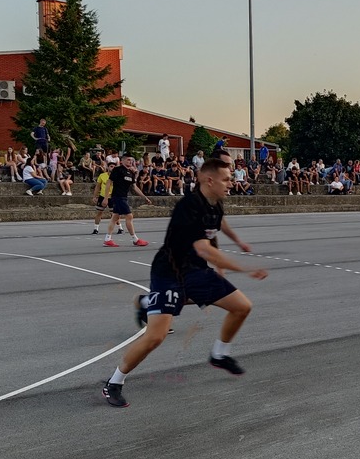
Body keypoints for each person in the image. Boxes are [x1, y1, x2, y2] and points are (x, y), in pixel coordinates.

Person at [102, 159, 268, 408]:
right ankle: (114, 382)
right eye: (226, 179)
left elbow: (215, 230)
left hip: (196, 271)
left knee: (242, 306)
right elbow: (204, 248)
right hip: (170, 272)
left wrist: (231, 251)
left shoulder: (215, 204)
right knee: (156, 336)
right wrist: (245, 267)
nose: (231, 183)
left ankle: (219, 354)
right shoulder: (189, 208)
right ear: (209, 180)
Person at [103, 154, 152, 247]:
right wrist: (106, 198)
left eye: (131, 160)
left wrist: (144, 197)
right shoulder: (117, 170)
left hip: (124, 197)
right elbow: (109, 182)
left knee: (115, 217)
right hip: (118, 196)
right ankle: (135, 239)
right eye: (128, 160)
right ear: (123, 160)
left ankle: (107, 239)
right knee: (129, 216)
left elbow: (134, 187)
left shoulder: (131, 172)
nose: (130, 162)